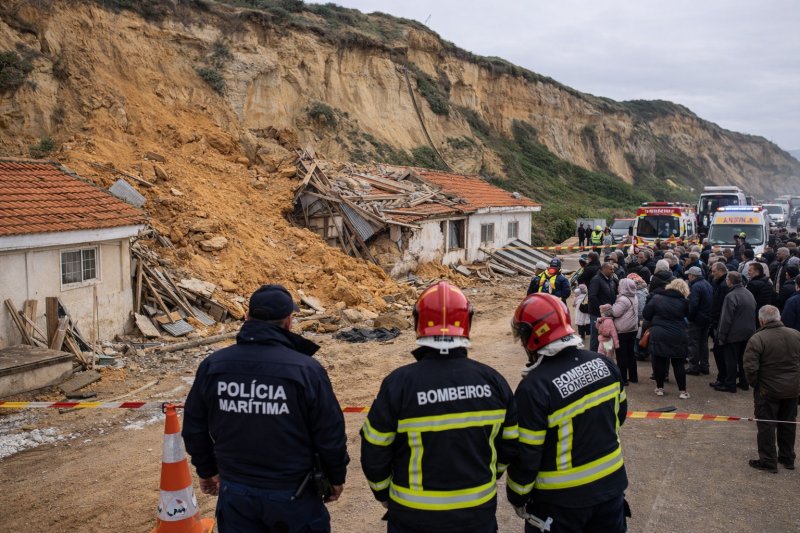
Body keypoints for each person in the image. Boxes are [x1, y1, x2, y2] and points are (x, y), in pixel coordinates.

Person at [182, 284, 349, 532]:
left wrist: (206, 470)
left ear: (247, 317)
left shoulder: (214, 365)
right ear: (288, 322)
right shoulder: (306, 370)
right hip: (293, 496)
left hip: (237, 494)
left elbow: (194, 425)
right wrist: (336, 477)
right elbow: (329, 433)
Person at [360, 281, 517, 533]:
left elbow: (375, 447)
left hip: (413, 516)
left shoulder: (399, 383)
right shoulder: (494, 381)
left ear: (417, 323)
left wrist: (382, 492)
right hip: (476, 513)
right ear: (468, 322)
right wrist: (489, 476)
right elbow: (510, 444)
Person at [508, 293, 628, 532]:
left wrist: (518, 495)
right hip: (611, 488)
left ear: (531, 336)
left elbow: (527, 454)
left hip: (560, 503)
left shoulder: (534, 387)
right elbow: (619, 416)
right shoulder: (604, 364)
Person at [743, 305, 800, 472]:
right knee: (788, 423)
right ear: (779, 317)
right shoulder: (796, 335)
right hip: (792, 389)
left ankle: (768, 460)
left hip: (768, 390)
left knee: (767, 425)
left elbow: (750, 367)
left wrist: (756, 385)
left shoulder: (757, 339)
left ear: (761, 320)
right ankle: (787, 457)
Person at [642, 278, 691, 399]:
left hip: (659, 332)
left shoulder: (657, 298)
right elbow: (689, 315)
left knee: (659, 361)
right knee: (678, 362)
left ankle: (659, 388)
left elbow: (646, 314)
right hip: (678, 333)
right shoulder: (684, 302)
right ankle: (682, 391)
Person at [715, 272, 757, 393]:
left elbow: (726, 319)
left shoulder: (731, 296)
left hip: (734, 334)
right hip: (748, 332)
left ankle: (730, 384)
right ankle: (744, 382)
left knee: (731, 360)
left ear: (730, 280)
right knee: (742, 359)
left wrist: (721, 336)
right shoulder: (748, 293)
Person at [608, 277, 639, 385]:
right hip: (633, 328)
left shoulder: (623, 299)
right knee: (631, 353)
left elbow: (615, 313)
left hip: (622, 330)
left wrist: (609, 308)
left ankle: (623, 379)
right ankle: (633, 377)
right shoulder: (634, 296)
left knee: (621, 355)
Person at [685, 266, 713, 376]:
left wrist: (690, 317)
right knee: (703, 343)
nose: (688, 277)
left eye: (689, 275)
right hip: (706, 318)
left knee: (693, 343)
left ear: (693, 276)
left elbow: (693, 304)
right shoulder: (707, 284)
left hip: (697, 318)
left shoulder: (696, 286)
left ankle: (694, 367)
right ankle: (704, 366)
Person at [708, 262, 731, 388]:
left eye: (714, 271)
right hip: (719, 322)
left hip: (720, 323)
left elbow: (720, 306)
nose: (712, 274)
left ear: (721, 271)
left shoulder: (723, 286)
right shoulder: (720, 283)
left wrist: (714, 321)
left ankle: (723, 378)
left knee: (720, 352)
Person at [589, 262, 617, 352]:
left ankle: (605, 357)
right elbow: (592, 296)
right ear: (603, 269)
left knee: (606, 336)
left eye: (613, 269)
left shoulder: (610, 279)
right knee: (595, 337)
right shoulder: (596, 280)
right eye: (611, 269)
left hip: (607, 315)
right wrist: (601, 309)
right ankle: (593, 356)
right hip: (597, 314)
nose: (613, 271)